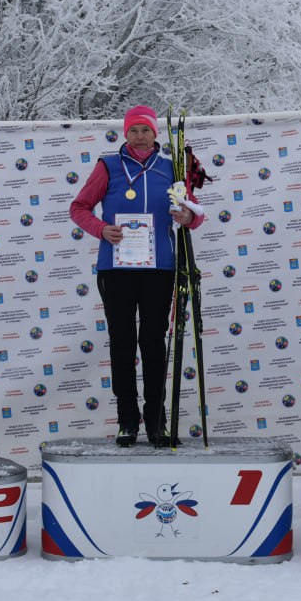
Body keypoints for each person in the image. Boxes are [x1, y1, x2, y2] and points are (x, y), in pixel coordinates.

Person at [69, 105, 203, 447]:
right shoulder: (109, 166)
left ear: (155, 133)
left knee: (154, 345)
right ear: (124, 134)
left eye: (145, 130)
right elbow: (79, 207)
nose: (140, 136)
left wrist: (187, 216)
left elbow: (195, 214)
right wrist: (101, 229)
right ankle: (127, 421)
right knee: (124, 344)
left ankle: (157, 422)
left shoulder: (171, 166)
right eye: (133, 131)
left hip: (159, 268)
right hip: (117, 269)